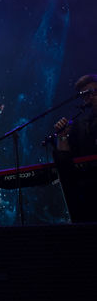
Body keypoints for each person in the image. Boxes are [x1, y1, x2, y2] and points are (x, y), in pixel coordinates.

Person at [52, 73, 97, 222]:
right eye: (85, 95)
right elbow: (65, 163)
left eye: (93, 92)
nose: (90, 98)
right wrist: (62, 136)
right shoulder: (83, 125)